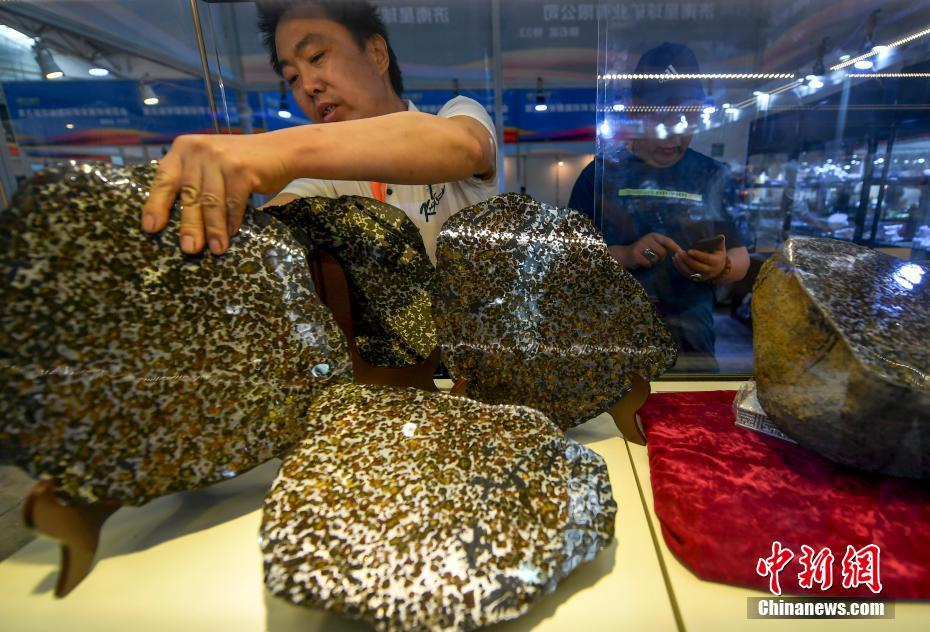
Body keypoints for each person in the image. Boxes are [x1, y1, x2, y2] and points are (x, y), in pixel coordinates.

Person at [141, 0, 497, 263]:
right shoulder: (323, 184)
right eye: (292, 77)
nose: (308, 86)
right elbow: (269, 232)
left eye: (316, 57)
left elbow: (466, 147)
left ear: (376, 53)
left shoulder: (457, 115)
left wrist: (279, 151)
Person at [569, 42, 749, 371]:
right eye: (660, 116)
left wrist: (720, 267)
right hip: (616, 344)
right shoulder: (600, 175)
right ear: (635, 111)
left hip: (691, 344)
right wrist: (626, 255)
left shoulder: (713, 175)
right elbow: (572, 260)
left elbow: (740, 255)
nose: (673, 134)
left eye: (687, 117)